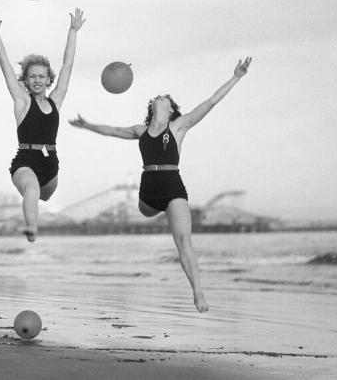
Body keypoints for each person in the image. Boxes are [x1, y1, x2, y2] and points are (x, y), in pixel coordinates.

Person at [69, 57, 252, 312]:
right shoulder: (140, 131)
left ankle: (198, 292)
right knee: (146, 211)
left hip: (173, 189)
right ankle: (158, 214)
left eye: (165, 98)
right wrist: (87, 125)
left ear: (170, 109)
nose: (160, 97)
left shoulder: (179, 126)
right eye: (158, 97)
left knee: (183, 241)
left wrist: (236, 76)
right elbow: (111, 130)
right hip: (148, 195)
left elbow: (211, 101)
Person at [0, 6, 86, 242]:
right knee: (31, 189)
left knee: (44, 195)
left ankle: (34, 213)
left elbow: (68, 66)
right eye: (32, 76)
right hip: (25, 161)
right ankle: (32, 228)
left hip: (50, 164)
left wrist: (72, 31)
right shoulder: (22, 101)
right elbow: (4, 66)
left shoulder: (56, 101)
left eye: (42, 76)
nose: (37, 80)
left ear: (48, 79)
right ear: (26, 80)